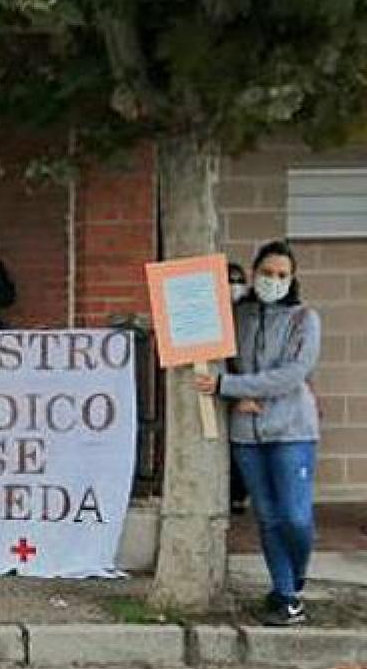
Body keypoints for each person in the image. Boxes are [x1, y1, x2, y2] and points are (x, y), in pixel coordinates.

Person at [196, 241, 320, 627]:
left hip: (292, 430)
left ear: (293, 278)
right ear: (254, 273)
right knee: (267, 518)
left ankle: (296, 573)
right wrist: (234, 395)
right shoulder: (237, 315)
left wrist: (232, 388)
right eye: (267, 273)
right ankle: (285, 595)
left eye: (282, 275)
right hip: (247, 434)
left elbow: (292, 374)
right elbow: (217, 358)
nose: (274, 281)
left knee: (294, 517)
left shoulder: (304, 319)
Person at [227, 261, 251, 515]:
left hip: (244, 383)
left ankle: (238, 494)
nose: (235, 287)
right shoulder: (214, 312)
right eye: (229, 282)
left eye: (238, 281)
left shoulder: (249, 312)